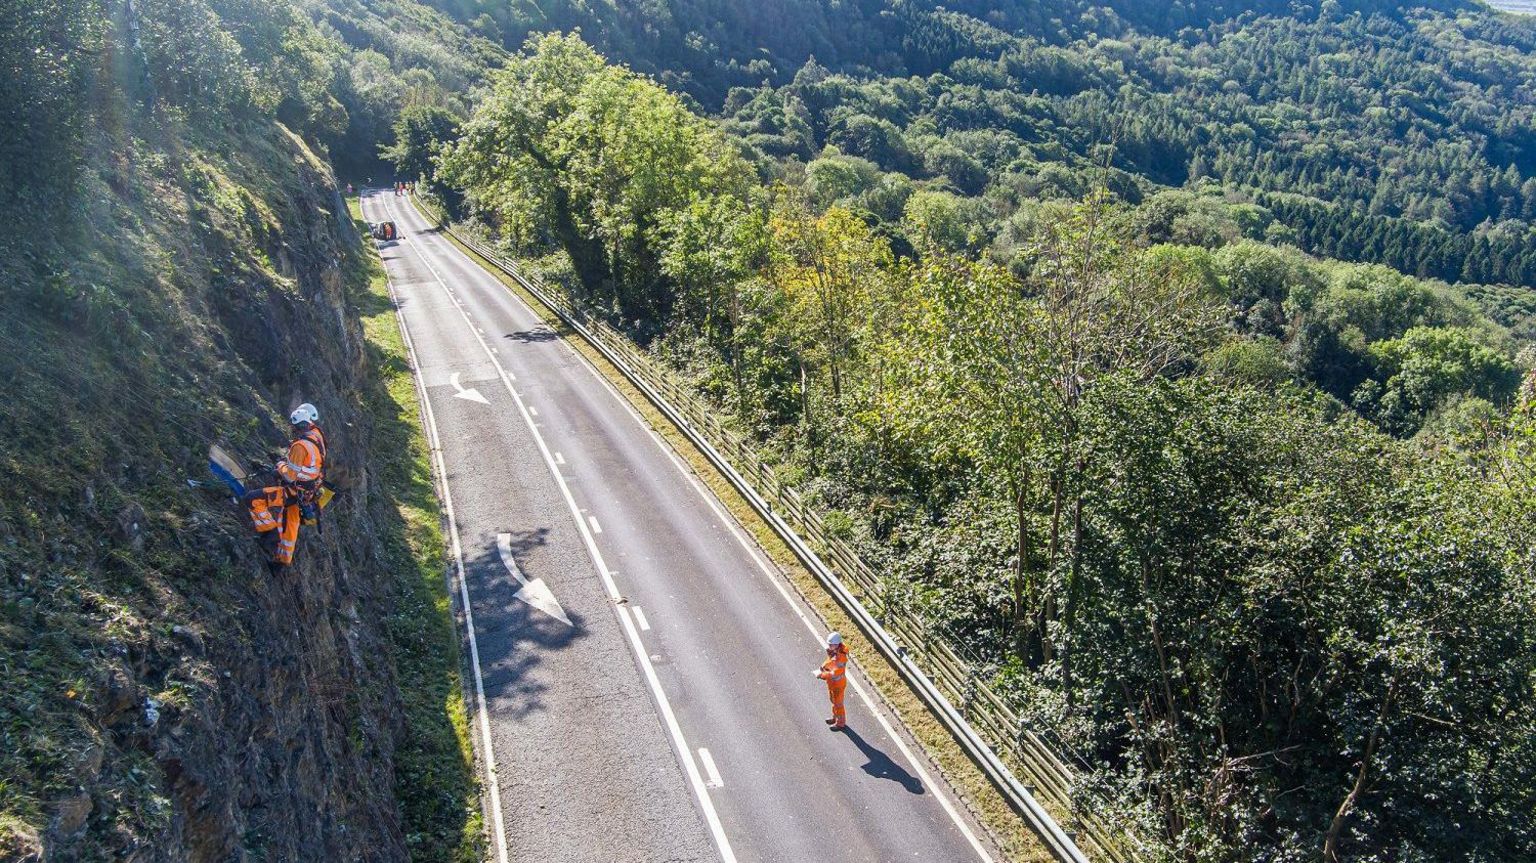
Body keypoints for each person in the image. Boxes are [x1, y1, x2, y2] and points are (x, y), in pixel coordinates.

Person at [245, 403, 326, 570]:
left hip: (294, 491)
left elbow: (290, 476)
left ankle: (270, 533)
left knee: (252, 499)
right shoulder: (317, 436)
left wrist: (280, 466)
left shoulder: (300, 446)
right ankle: (281, 562)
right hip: (309, 492)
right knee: (291, 524)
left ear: (297, 426)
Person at [814, 631, 849, 730]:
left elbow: (834, 672)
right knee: (834, 701)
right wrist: (823, 666)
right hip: (833, 683)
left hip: (838, 684)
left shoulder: (840, 657)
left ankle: (840, 723)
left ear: (837, 644)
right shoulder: (834, 652)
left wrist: (822, 675)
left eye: (831, 644)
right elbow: (829, 661)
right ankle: (835, 717)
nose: (829, 646)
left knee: (838, 704)